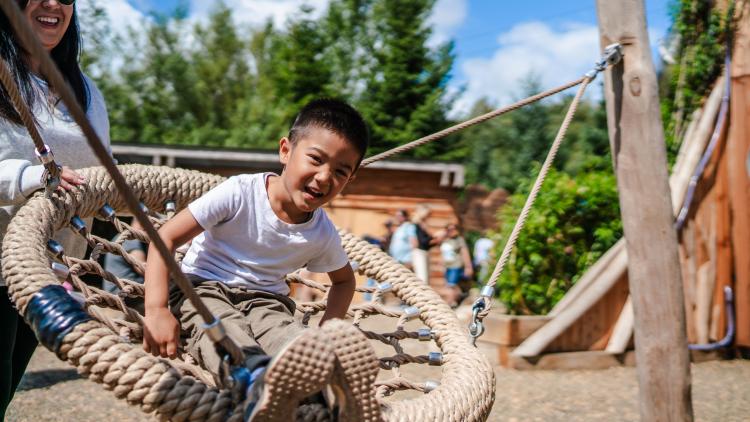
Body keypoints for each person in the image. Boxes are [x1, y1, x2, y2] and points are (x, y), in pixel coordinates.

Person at [142, 98, 368, 418]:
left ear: (350, 180)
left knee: (294, 343)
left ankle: (328, 389)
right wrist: (157, 309)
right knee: (225, 332)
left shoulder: (321, 233)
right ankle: (254, 382)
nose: (323, 177)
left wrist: (326, 333)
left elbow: (344, 281)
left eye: (340, 171)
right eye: (315, 159)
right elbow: (165, 237)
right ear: (286, 151)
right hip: (203, 287)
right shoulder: (240, 193)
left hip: (267, 302)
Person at [0, 1, 112, 419]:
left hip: (48, 272)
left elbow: (101, 170)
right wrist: (33, 176)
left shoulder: (84, 89)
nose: (53, 5)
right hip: (2, 260)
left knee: (7, 387)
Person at [439, 223, 473, 307]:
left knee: (451, 285)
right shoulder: (445, 240)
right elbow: (435, 238)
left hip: (455, 265)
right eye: (449, 229)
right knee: (450, 285)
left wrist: (468, 267)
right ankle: (460, 296)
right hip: (447, 266)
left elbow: (465, 253)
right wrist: (444, 233)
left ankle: (449, 303)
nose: (451, 231)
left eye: (453, 229)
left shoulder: (459, 240)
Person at [411, 205, 435, 283]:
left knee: (426, 279)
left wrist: (436, 240)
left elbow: (427, 243)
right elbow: (422, 242)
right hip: (419, 253)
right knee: (422, 278)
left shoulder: (423, 225)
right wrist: (434, 237)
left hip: (425, 252)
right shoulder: (415, 225)